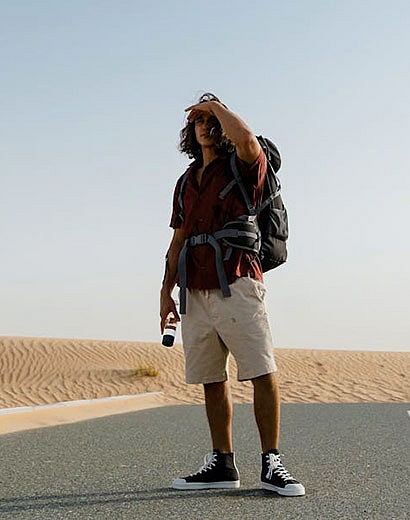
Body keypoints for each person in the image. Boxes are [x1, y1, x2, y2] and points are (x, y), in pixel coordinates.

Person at [159, 93, 305, 497]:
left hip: (239, 280)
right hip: (194, 287)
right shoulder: (186, 182)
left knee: (260, 370)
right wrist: (165, 291)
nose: (204, 126)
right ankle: (222, 462)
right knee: (210, 378)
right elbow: (178, 239)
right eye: (198, 121)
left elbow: (246, 141)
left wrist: (216, 106)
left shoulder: (243, 165)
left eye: (211, 121)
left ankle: (271, 462)